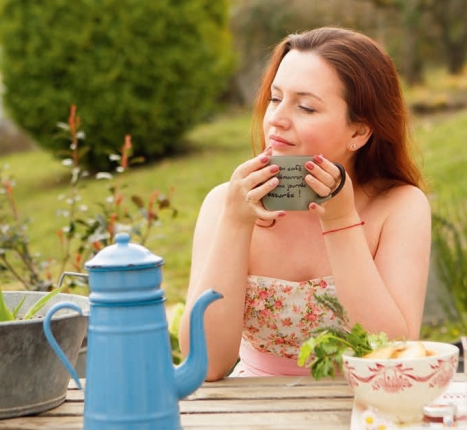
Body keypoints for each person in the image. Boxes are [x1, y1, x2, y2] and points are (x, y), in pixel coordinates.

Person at [179, 27, 431, 381]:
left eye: (306, 106)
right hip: (249, 406)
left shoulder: (399, 206)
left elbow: (393, 356)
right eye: (275, 98)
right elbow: (205, 365)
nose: (276, 119)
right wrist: (235, 223)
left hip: (362, 402)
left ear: (359, 132)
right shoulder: (225, 204)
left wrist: (341, 221)